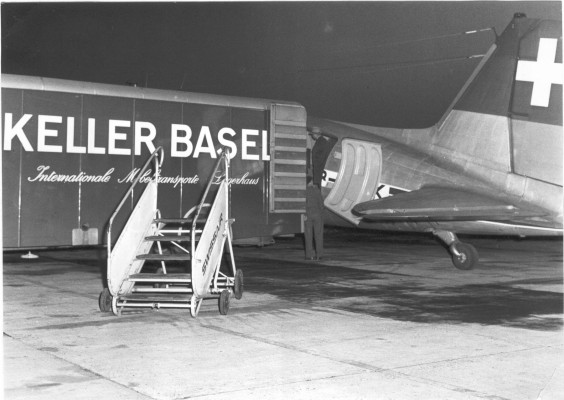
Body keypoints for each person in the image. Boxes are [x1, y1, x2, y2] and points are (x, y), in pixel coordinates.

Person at [304, 175, 324, 261]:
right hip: (317, 215)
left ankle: (310, 255)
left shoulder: (303, 191)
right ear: (310, 182)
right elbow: (321, 204)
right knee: (318, 235)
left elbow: (302, 205)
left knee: (308, 236)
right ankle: (319, 255)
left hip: (307, 215)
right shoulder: (316, 190)